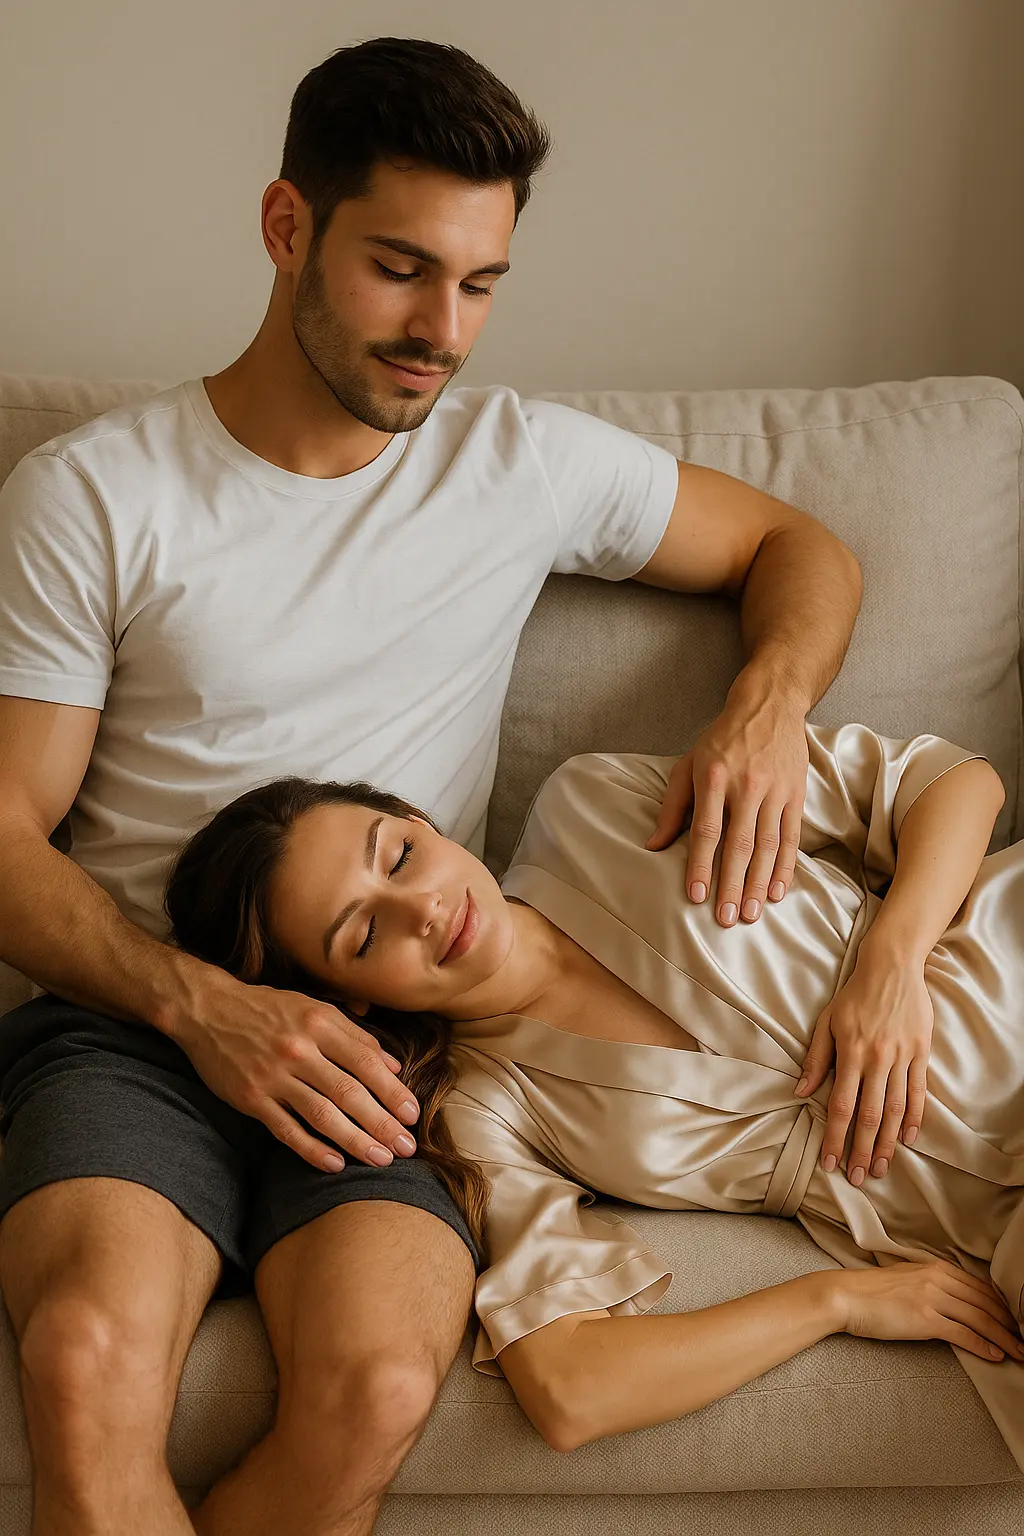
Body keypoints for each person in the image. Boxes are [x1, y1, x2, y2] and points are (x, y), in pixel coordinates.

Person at [0, 36, 862, 1536]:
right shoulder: (95, 494)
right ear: (288, 229)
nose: (441, 330)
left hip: (390, 1039)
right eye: (402, 269)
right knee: (85, 1357)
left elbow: (806, 548)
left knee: (383, 1387)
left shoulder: (514, 463)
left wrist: (767, 704)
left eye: (478, 284)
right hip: (137, 1019)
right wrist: (202, 1006)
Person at [162, 719, 1024, 1471]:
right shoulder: (480, 1109)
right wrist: (838, 1301)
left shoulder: (596, 805)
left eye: (400, 854)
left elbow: (952, 780)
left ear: (422, 823)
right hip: (986, 1231)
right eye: (364, 932)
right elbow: (570, 1388)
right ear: (345, 1000)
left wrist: (893, 959)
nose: (422, 906)